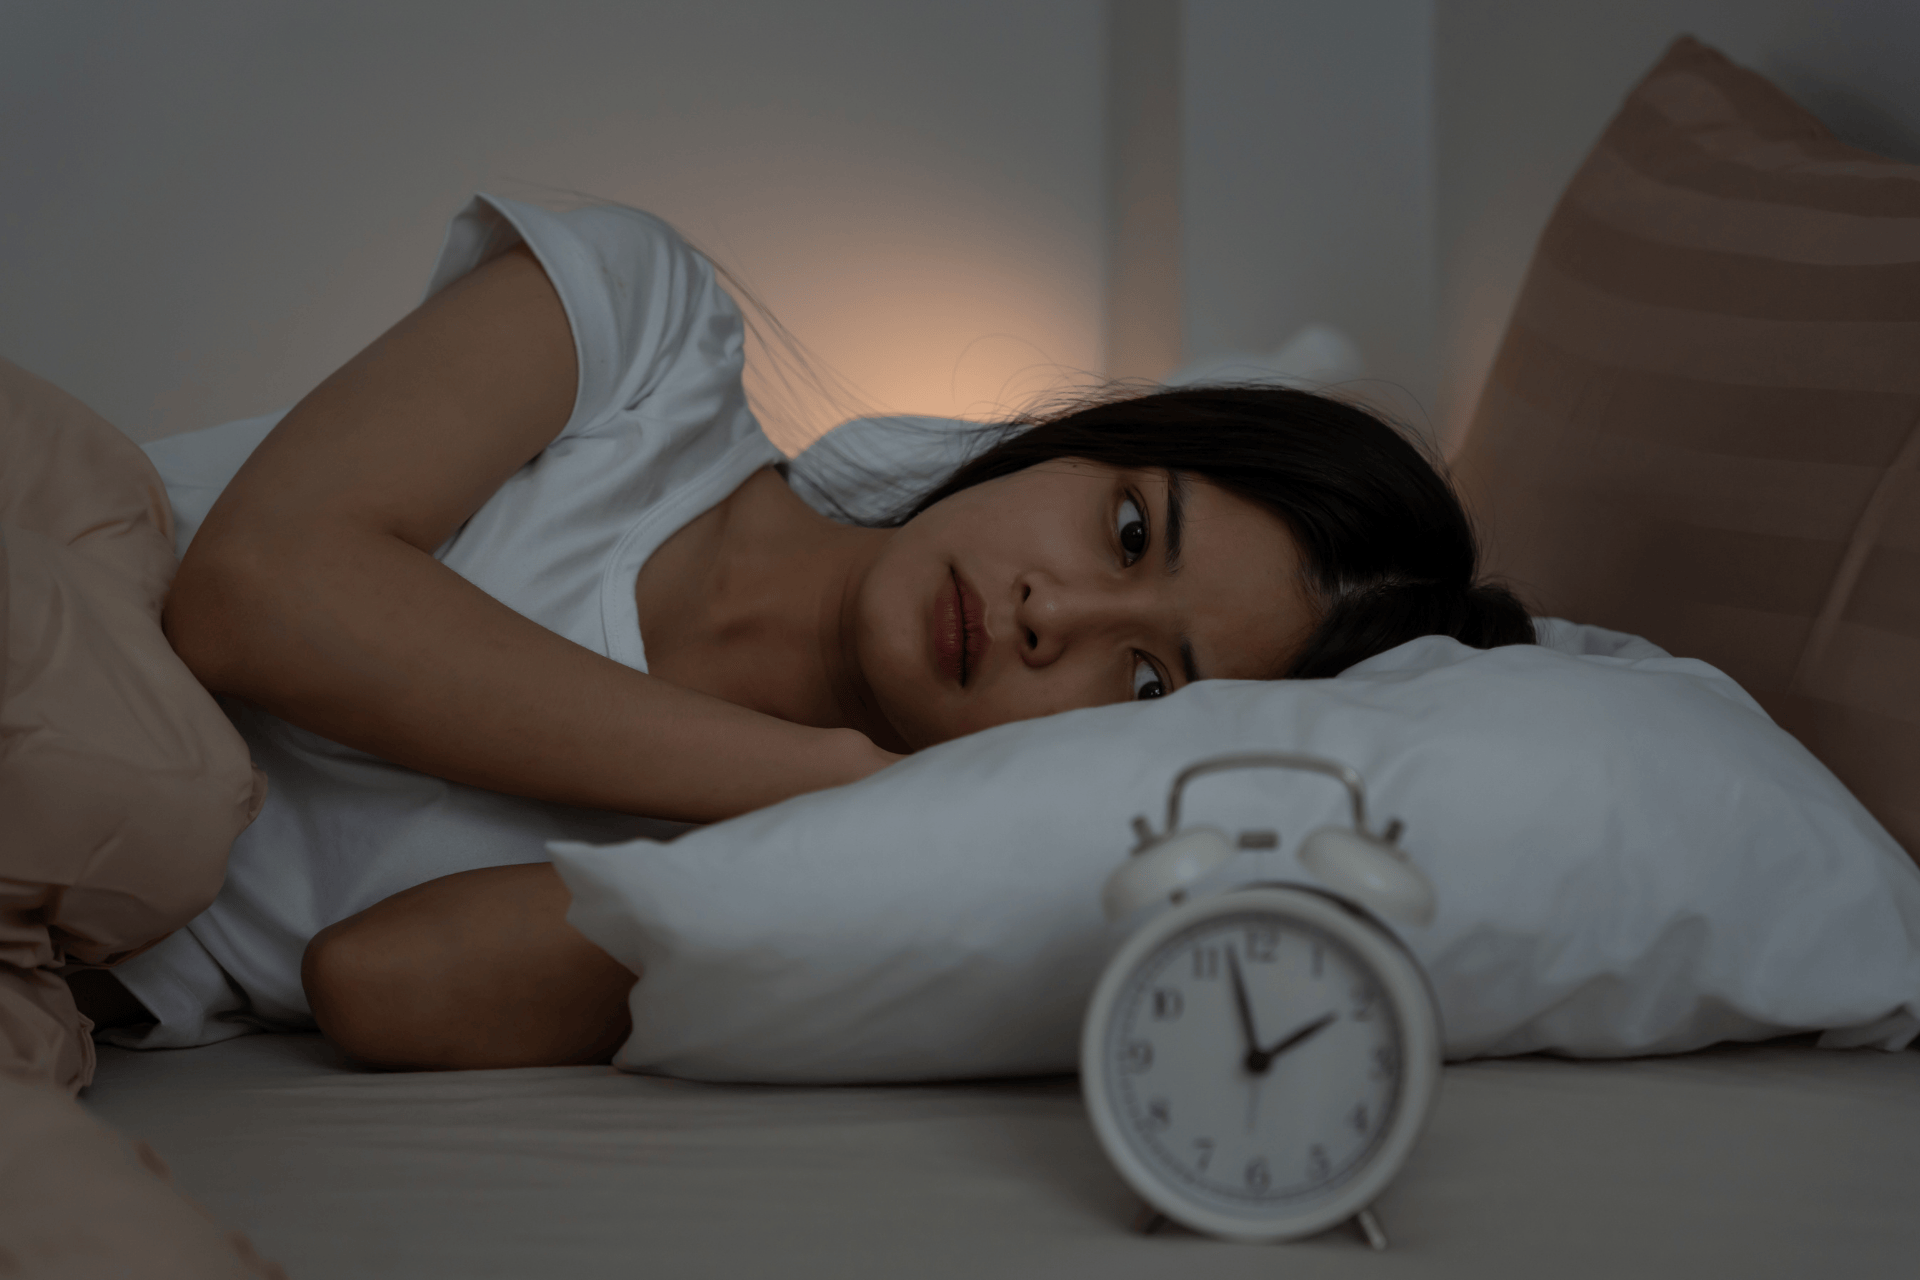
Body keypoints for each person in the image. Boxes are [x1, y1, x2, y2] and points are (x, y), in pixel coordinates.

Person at [70, 196, 1531, 1071]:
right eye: (1131, 530)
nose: (1053, 614)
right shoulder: (644, 337)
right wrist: (820, 774)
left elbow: (377, 983)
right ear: (1086, 447)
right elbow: (253, 598)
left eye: (1143, 680)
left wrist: (853, 838)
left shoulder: (804, 880)